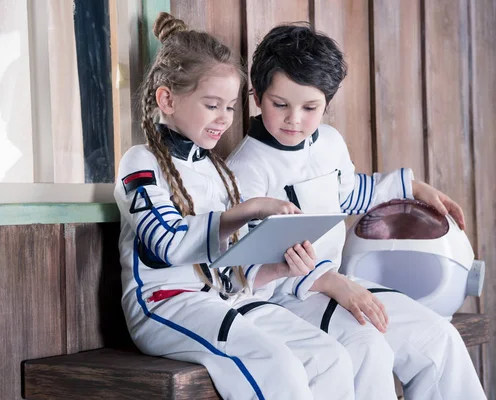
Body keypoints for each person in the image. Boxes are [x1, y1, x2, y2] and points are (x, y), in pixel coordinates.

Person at [227, 23, 486, 400]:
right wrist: (333, 284)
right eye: (279, 104)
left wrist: (412, 188)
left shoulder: (329, 143)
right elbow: (250, 264)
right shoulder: (246, 168)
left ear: (327, 103)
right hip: (286, 299)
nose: (294, 119)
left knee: (439, 339)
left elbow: (348, 194)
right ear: (256, 95)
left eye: (310, 107)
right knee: (369, 347)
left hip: (339, 284)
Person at [114, 12, 356, 400]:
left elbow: (232, 275)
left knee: (328, 357)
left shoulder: (217, 171)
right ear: (167, 99)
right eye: (212, 105)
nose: (224, 119)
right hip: (164, 306)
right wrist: (248, 209)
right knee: (276, 363)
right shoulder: (139, 162)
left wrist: (278, 268)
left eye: (230, 107)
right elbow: (168, 244)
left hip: (223, 300)